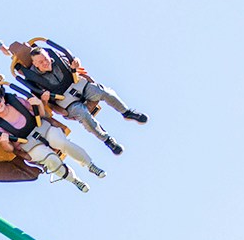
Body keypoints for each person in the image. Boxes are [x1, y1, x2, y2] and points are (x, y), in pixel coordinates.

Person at [17, 42, 147, 156]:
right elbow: (41, 103)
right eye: (40, 62)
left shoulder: (57, 57)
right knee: (83, 115)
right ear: (34, 64)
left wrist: (76, 64)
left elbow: (74, 64)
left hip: (79, 85)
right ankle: (107, 140)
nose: (45, 63)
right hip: (65, 100)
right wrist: (44, 99)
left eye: (46, 59)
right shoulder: (32, 78)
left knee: (104, 92)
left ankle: (127, 112)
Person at [0, 84, 103, 193]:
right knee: (51, 159)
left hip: (42, 128)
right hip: (28, 144)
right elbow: (9, 149)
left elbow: (41, 114)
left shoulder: (17, 102)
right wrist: (5, 142)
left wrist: (39, 103)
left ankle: (90, 165)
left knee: (62, 142)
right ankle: (73, 179)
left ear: (3, 99)